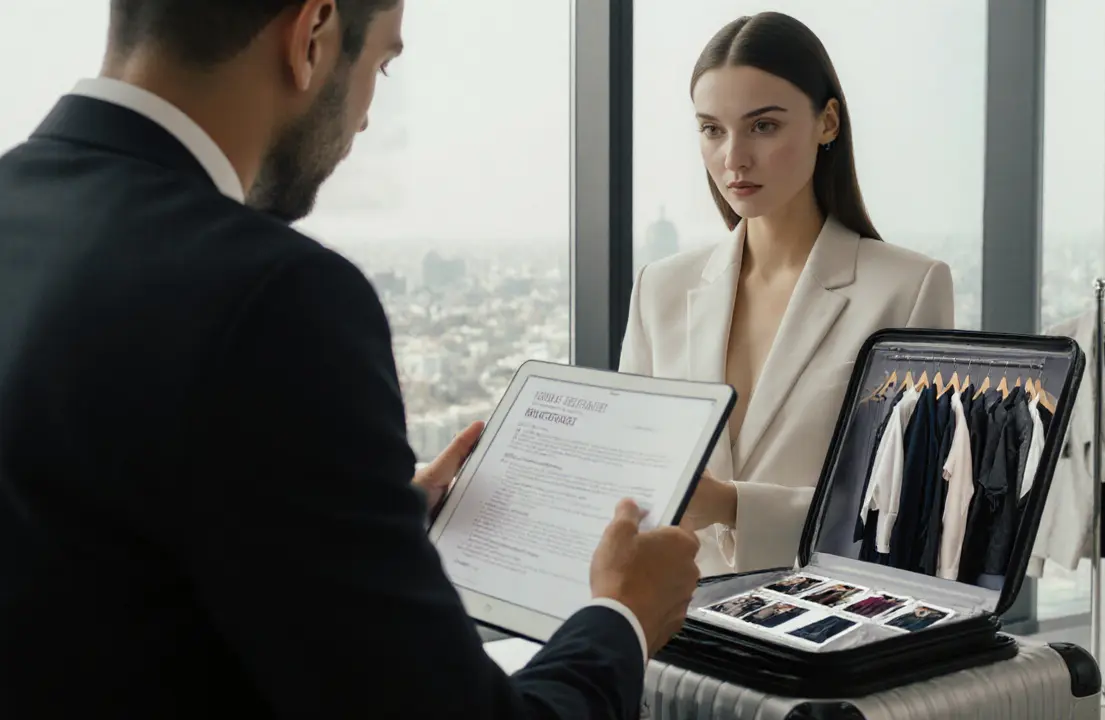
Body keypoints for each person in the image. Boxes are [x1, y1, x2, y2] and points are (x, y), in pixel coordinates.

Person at [0, 2, 700, 718]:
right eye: (383, 64)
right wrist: (621, 617)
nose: (367, 118)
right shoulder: (275, 298)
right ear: (313, 34)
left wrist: (362, 516)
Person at [619, 11, 955, 576]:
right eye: (712, 129)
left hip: (823, 625)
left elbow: (911, 505)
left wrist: (733, 505)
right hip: (671, 624)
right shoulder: (662, 289)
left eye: (763, 126)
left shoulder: (908, 288)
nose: (734, 158)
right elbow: (628, 471)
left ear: (827, 123)